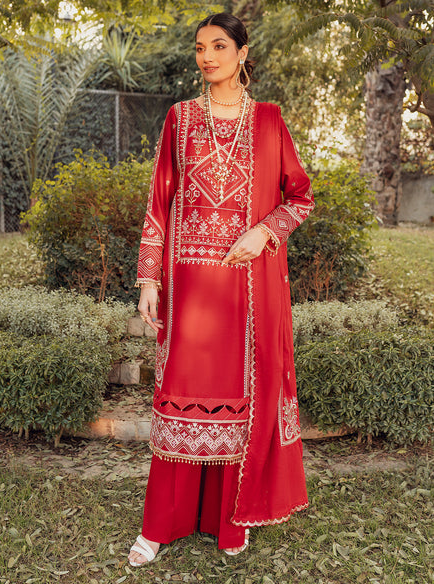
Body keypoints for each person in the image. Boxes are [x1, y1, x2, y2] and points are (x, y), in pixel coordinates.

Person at [128, 12, 315, 565]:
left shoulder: (269, 120)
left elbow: (300, 197)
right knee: (180, 395)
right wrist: (148, 276)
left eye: (218, 46)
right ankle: (160, 524)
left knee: (240, 400)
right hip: (188, 287)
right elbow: (159, 200)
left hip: (247, 287)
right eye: (199, 48)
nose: (206, 57)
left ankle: (229, 521)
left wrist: (264, 231)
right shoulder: (180, 117)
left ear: (242, 52)